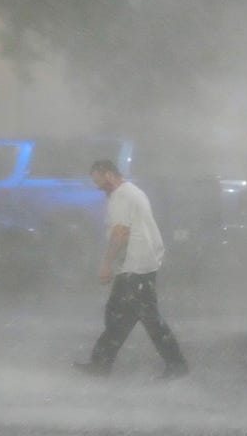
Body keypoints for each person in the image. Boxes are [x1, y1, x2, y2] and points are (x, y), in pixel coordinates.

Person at [74, 159, 188, 380]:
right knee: (119, 314)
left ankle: (177, 366)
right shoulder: (133, 191)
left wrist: (106, 264)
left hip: (135, 267)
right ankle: (101, 363)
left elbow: (120, 233)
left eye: (99, 182)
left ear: (108, 175)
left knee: (146, 319)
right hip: (140, 265)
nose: (98, 187)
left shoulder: (121, 196)